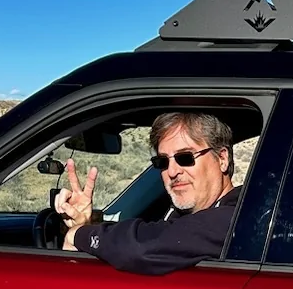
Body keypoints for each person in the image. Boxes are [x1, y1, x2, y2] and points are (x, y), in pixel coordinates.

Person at [56, 111, 241, 274]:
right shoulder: (179, 214)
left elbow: (145, 246)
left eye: (185, 157)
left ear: (222, 158)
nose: (172, 171)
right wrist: (86, 224)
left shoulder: (238, 218)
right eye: (162, 162)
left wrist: (79, 235)